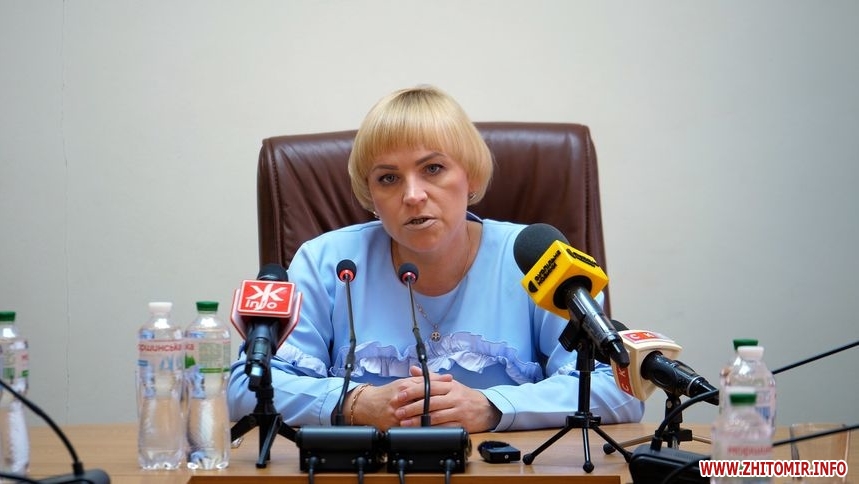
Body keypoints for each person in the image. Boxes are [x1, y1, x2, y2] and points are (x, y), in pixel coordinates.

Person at [227, 85, 643, 433]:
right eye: (388, 178)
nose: (412, 195)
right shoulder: (325, 262)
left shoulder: (537, 260)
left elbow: (621, 389)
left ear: (471, 175)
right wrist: (355, 403)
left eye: (433, 169)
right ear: (370, 196)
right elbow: (246, 390)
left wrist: (493, 407)